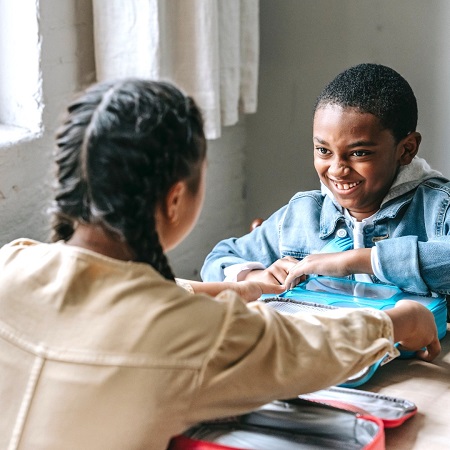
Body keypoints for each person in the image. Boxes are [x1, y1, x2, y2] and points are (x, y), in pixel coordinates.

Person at [0, 78, 440, 450]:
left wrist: (237, 289)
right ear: (175, 198)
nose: (337, 168)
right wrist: (396, 324)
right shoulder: (194, 333)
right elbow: (308, 348)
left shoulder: (13, 261)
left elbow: (121, 292)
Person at [201, 63, 450, 296]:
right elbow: (219, 258)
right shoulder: (302, 214)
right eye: (324, 151)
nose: (337, 169)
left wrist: (359, 260)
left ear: (406, 149)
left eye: (359, 153)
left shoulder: (437, 209)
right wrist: (253, 276)